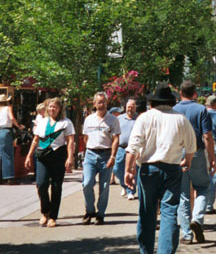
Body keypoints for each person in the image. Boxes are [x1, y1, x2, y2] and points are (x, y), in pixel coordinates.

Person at [125, 84, 196, 254]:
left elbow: (133, 146)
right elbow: (191, 146)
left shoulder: (144, 118)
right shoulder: (181, 119)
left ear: (152, 102)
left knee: (147, 213)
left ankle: (146, 253)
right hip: (172, 168)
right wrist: (187, 161)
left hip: (148, 168)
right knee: (169, 213)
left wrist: (128, 170)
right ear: (171, 101)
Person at [174, 81, 215, 244]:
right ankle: (197, 219)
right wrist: (211, 157)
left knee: (183, 194)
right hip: (196, 152)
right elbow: (207, 136)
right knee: (203, 187)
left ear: (180, 92)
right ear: (195, 93)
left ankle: (186, 234)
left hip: (178, 154)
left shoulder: (174, 110)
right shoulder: (201, 110)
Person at [25, 97, 76, 228]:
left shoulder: (66, 123)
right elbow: (36, 139)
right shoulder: (42, 122)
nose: (52, 109)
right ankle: (44, 211)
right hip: (43, 155)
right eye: (50, 106)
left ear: (60, 109)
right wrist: (29, 156)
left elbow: (70, 141)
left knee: (56, 186)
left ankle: (53, 216)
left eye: (55, 107)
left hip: (58, 155)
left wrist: (70, 157)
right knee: (41, 184)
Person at [81, 92, 121, 224]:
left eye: (103, 102)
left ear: (106, 103)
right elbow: (85, 138)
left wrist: (113, 156)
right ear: (94, 104)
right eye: (99, 102)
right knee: (87, 183)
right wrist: (90, 149)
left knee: (104, 187)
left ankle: (100, 213)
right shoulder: (88, 119)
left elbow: (116, 139)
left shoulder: (113, 120)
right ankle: (90, 210)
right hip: (91, 154)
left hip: (106, 154)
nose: (101, 104)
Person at [0, 93, 24, 184]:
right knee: (8, 153)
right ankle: (9, 176)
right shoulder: (8, 108)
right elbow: (12, 118)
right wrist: (18, 126)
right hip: (6, 131)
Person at [115, 98, 139, 199]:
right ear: (125, 107)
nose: (130, 109)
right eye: (128, 107)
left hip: (134, 149)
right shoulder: (119, 118)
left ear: (135, 108)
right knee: (117, 169)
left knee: (133, 169)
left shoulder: (139, 119)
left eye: (132, 107)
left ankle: (131, 191)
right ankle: (124, 185)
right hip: (121, 148)